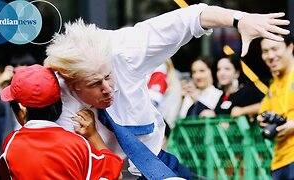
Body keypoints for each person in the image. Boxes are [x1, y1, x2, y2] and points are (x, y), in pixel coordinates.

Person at [44, 3, 290, 179]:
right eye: (95, 84)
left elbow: (191, 17)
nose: (108, 88)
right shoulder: (56, 98)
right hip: (108, 172)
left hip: (155, 160)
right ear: (73, 83)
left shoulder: (126, 48)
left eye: (109, 76)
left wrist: (239, 20)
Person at [0, 65, 123, 180]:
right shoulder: (78, 145)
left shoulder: (10, 144)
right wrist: (93, 136)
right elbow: (116, 174)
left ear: (22, 108)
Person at [257, 34, 294, 180]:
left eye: (275, 49)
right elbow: (262, 113)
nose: (270, 55)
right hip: (279, 161)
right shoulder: (274, 85)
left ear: (290, 47)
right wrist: (263, 120)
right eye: (265, 51)